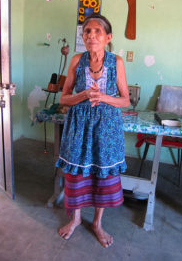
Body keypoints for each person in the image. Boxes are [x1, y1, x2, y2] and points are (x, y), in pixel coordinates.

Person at [56, 13, 130, 248]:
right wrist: (84, 95)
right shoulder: (77, 60)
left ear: (108, 37)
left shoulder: (116, 61)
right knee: (76, 173)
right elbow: (64, 99)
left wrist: (104, 97)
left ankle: (97, 223)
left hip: (106, 129)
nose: (91, 35)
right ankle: (76, 218)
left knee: (103, 174)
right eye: (87, 31)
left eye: (97, 31)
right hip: (79, 127)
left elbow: (125, 100)